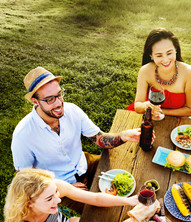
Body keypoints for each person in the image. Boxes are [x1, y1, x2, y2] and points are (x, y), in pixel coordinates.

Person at [11, 67, 141, 190]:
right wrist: (59, 188)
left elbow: (100, 139)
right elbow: (25, 179)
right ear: (35, 101)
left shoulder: (72, 110)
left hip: (84, 163)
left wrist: (124, 135)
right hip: (59, 185)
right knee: (101, 210)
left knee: (129, 173)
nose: (58, 103)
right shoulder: (23, 135)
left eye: (59, 94)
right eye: (50, 99)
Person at [2, 168, 139, 222]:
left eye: (56, 192)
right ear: (28, 204)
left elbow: (95, 198)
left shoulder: (53, 187)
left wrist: (128, 201)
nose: (58, 199)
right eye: (49, 198)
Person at [126, 28, 191, 118]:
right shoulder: (145, 70)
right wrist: (146, 106)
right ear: (151, 55)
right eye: (159, 55)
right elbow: (137, 106)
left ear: (175, 49)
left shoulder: (190, 74)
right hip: (146, 115)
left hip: (175, 119)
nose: (165, 60)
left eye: (169, 53)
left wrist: (161, 112)